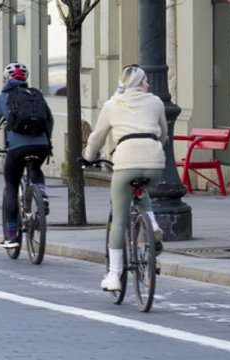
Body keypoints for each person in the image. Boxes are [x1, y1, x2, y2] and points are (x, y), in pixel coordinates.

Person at [81, 64, 167, 291]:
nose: (148, 84)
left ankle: (114, 275)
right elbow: (164, 133)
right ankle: (153, 224)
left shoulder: (112, 104)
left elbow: (97, 137)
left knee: (119, 219)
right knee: (142, 190)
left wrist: (88, 157)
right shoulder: (156, 101)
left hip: (126, 160)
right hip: (154, 162)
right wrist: (155, 149)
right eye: (145, 80)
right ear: (138, 83)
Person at [0, 62, 54, 249]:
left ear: (6, 79)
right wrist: (46, 141)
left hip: (17, 148)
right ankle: (41, 193)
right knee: (36, 168)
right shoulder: (36, 96)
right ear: (25, 79)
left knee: (11, 186)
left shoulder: (1, 99)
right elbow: (49, 120)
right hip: (41, 145)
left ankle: (11, 236)